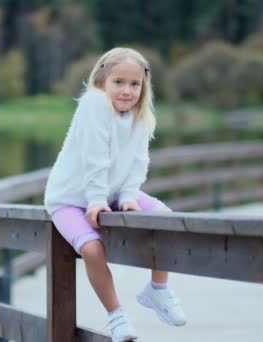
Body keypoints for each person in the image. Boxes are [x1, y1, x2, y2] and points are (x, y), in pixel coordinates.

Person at [44, 47, 186, 342]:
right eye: (118, 82)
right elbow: (94, 158)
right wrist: (96, 201)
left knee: (167, 219)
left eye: (135, 84)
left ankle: (157, 290)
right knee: (93, 248)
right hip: (70, 197)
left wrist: (128, 197)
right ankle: (116, 314)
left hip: (111, 192)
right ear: (102, 82)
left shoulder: (141, 115)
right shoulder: (94, 105)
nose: (127, 90)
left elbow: (138, 162)